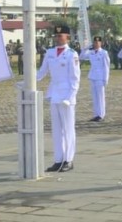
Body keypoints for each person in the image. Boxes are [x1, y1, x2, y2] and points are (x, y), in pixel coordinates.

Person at [37, 24, 80, 173]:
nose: (57, 38)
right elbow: (42, 72)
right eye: (55, 36)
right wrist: (28, 81)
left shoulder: (72, 54)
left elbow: (75, 79)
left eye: (60, 36)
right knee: (56, 130)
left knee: (68, 129)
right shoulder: (49, 53)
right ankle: (58, 159)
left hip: (66, 95)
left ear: (67, 37)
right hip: (54, 93)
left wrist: (71, 97)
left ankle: (68, 160)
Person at [81, 35, 110, 122]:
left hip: (100, 78)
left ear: (101, 43)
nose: (96, 44)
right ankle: (96, 114)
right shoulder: (91, 52)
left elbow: (106, 67)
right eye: (95, 42)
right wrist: (86, 47)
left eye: (98, 42)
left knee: (100, 97)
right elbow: (81, 56)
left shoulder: (104, 53)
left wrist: (106, 79)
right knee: (95, 97)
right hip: (93, 76)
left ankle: (101, 115)